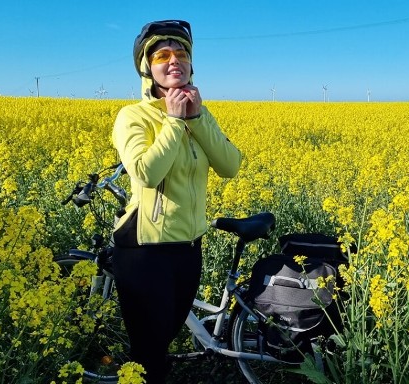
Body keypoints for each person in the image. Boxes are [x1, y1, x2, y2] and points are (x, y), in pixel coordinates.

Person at [109, 19, 242, 383]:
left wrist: (195, 119)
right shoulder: (132, 116)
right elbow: (145, 172)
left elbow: (230, 165)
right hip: (144, 250)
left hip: (188, 244)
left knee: (163, 340)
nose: (174, 61)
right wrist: (172, 121)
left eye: (182, 53)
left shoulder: (199, 111)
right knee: (149, 353)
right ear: (146, 67)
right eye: (162, 55)